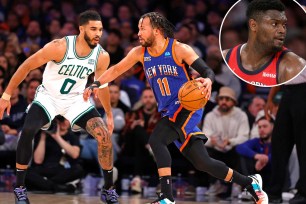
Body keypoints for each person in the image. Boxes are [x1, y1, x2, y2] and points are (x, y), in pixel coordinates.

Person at [83, 12, 269, 204]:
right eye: (138, 28)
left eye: (142, 28)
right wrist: (96, 83)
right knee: (202, 162)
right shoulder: (139, 53)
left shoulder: (179, 49)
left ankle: (166, 197)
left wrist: (207, 80)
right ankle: (250, 183)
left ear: (156, 30)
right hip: (168, 111)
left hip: (188, 106)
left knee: (156, 140)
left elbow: (207, 71)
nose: (138, 33)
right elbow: (115, 70)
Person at [0, 10, 119, 204]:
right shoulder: (60, 47)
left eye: (100, 29)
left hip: (76, 101)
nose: (98, 33)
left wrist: (108, 113)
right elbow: (26, 66)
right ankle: (20, 187)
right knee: (28, 130)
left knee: (104, 136)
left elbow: (102, 84)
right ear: (81, 29)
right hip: (49, 97)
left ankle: (108, 189)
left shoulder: (101, 56)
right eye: (93, 29)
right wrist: (6, 95)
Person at [223, 0, 306, 86]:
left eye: (284, 25)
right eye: (274, 24)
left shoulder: (293, 65)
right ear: (253, 25)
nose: (282, 30)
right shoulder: (227, 57)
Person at [265, 68, 306, 204]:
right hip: (287, 90)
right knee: (279, 142)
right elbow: (278, 72)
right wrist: (270, 99)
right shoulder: (287, 48)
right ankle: (274, 192)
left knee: (303, 145)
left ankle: (303, 192)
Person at [236, 116, 273, 190]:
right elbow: (239, 147)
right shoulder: (256, 141)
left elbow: (280, 154)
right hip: (258, 172)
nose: (261, 129)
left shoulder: (279, 141)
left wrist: (266, 159)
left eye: (265, 126)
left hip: (273, 174)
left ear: (273, 127)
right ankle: (251, 188)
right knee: (243, 156)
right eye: (259, 127)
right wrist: (256, 155)